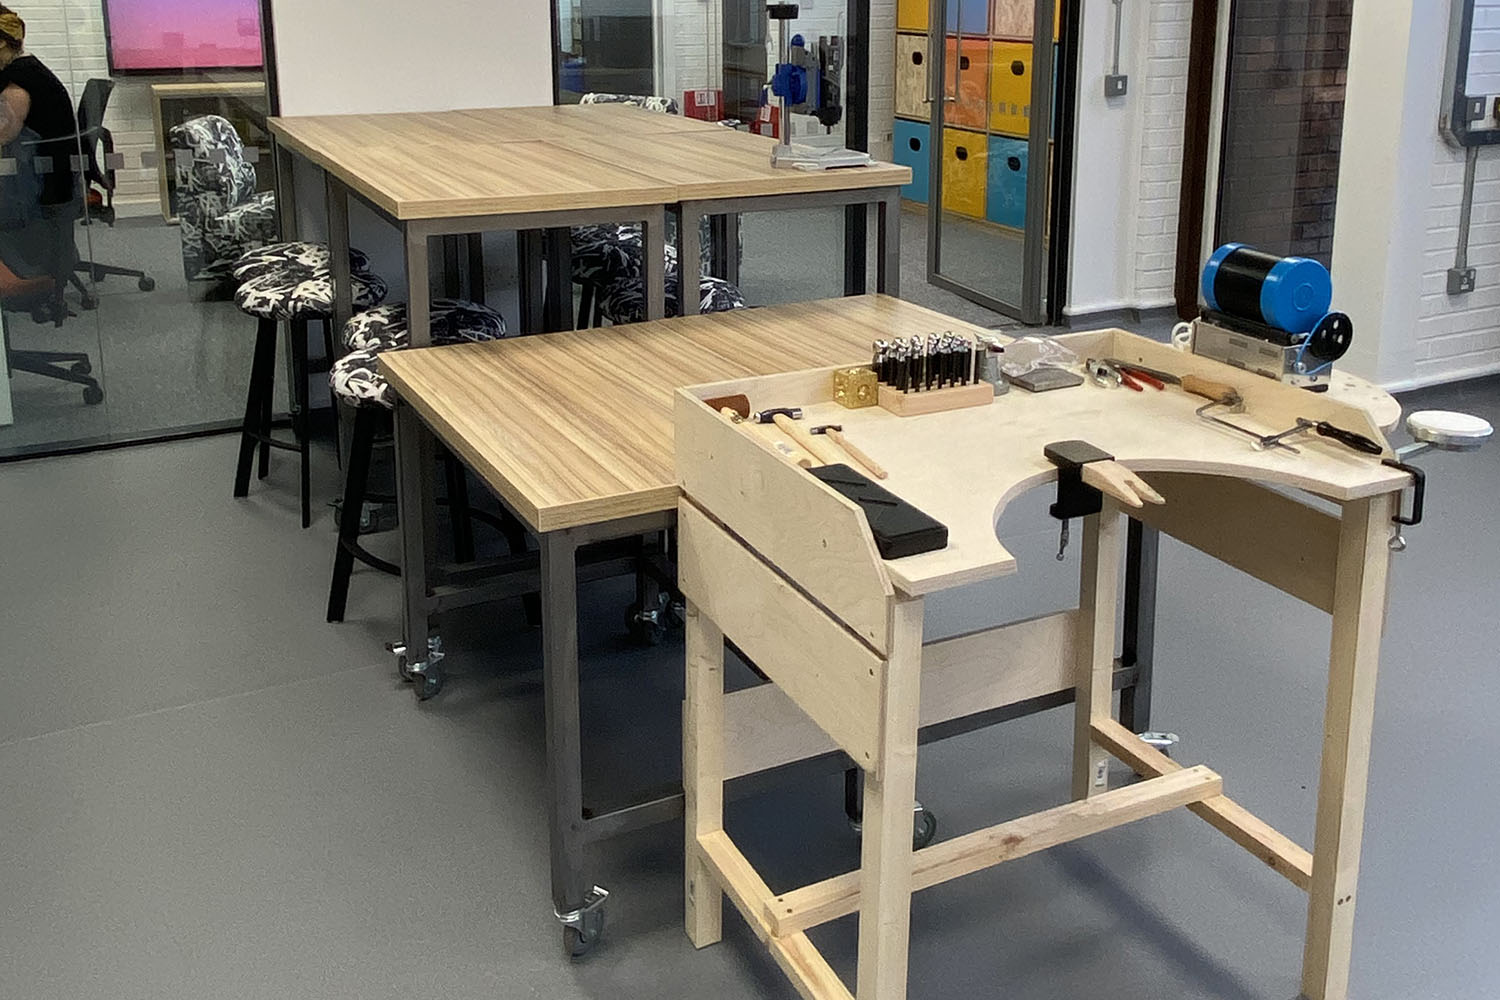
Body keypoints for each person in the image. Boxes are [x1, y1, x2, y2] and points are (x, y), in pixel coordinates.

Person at [0, 5, 79, 292]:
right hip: (50, 178)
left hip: (39, 185)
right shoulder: (31, 69)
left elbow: (3, 135)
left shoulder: (18, 83)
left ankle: (15, 278)